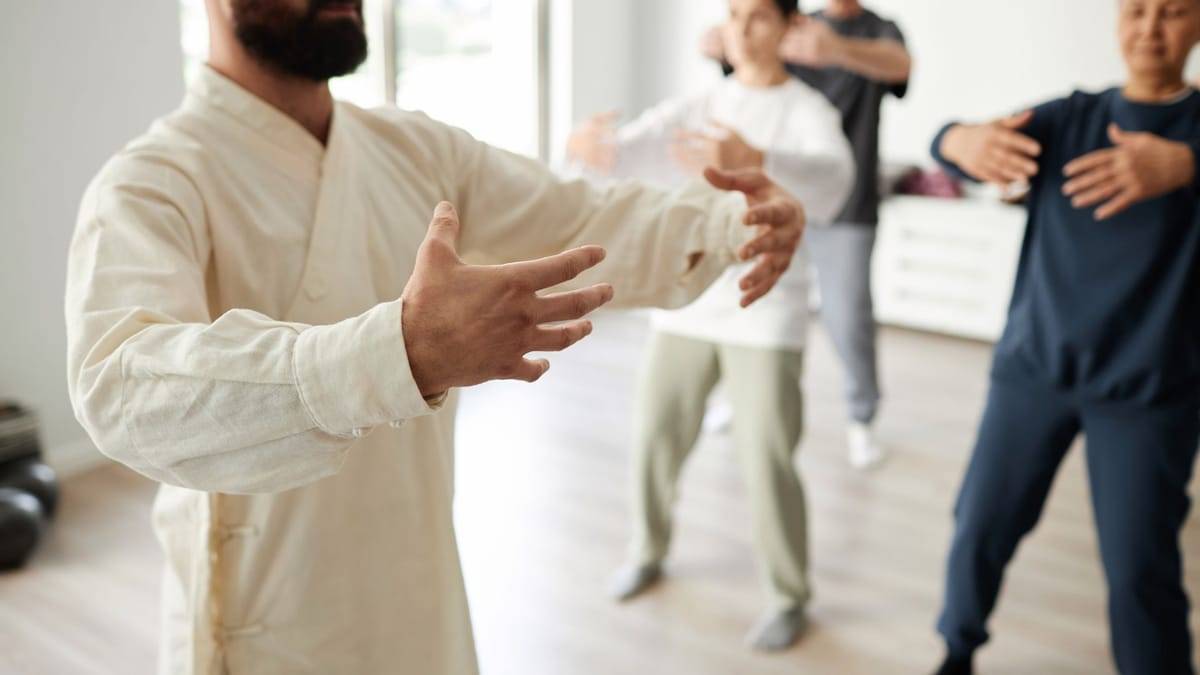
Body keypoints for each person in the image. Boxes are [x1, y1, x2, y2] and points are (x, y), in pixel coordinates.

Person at [63, 1, 810, 673]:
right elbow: (122, 387)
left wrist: (730, 222)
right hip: (270, 612)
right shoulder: (151, 182)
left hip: (415, 585)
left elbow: (580, 217)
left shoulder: (414, 149)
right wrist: (398, 353)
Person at [569, 0, 853, 651]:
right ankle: (647, 550)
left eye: (758, 17)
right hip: (689, 302)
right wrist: (586, 146)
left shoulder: (808, 111)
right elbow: (625, 152)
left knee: (767, 458)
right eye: (733, 15)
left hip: (766, 309)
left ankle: (788, 595)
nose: (742, 30)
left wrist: (760, 156)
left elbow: (836, 186)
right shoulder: (700, 104)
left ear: (789, 27)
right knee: (655, 437)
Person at [928, 1, 1200, 673]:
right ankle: (957, 650)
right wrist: (957, 139)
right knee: (979, 527)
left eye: (1172, 12)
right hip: (1034, 370)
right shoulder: (1072, 117)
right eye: (1136, 10)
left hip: (1149, 390)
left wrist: (1187, 166)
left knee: (1140, 570)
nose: (1150, 28)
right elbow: (954, 146)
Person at [702, 0, 909, 469]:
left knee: (847, 317)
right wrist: (723, 43)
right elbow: (749, 80)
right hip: (776, 196)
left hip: (847, 207)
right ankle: (739, 394)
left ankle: (861, 418)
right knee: (749, 295)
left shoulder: (880, 31)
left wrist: (837, 50)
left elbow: (901, 66)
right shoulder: (790, 22)